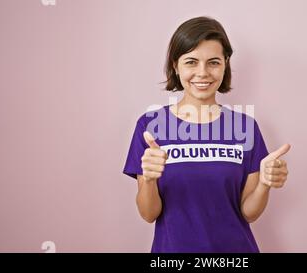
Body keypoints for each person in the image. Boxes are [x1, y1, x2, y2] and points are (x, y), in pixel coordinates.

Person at [123, 16, 291, 253]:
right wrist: (149, 179)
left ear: (225, 64)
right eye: (191, 62)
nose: (202, 73)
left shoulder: (245, 127)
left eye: (213, 62)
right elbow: (149, 214)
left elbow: (248, 213)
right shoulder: (150, 126)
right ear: (175, 65)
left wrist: (264, 183)